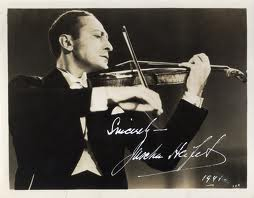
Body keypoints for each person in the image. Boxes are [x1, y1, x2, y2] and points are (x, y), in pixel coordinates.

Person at [9, 10, 211, 189]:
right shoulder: (27, 89)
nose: (110, 47)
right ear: (67, 42)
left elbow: (164, 156)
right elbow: (56, 103)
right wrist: (114, 95)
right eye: (98, 36)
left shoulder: (116, 97)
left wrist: (193, 94)